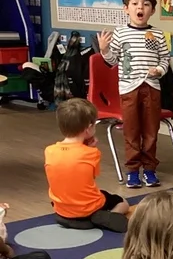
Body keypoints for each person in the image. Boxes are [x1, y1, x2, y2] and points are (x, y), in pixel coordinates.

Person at [98, 0, 170, 189]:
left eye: (146, 4)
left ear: (153, 10)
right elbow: (112, 61)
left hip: (152, 88)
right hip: (129, 89)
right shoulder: (120, 34)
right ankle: (132, 171)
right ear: (126, 8)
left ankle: (149, 169)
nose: (141, 8)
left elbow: (164, 59)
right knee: (131, 130)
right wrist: (104, 50)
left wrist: (159, 70)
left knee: (150, 131)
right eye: (135, 3)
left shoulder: (157, 34)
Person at [44, 98, 130, 232]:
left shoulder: (49, 151)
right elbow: (89, 178)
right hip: (89, 207)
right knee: (122, 202)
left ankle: (70, 218)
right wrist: (89, 149)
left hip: (61, 208)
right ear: (89, 128)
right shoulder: (92, 153)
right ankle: (105, 216)